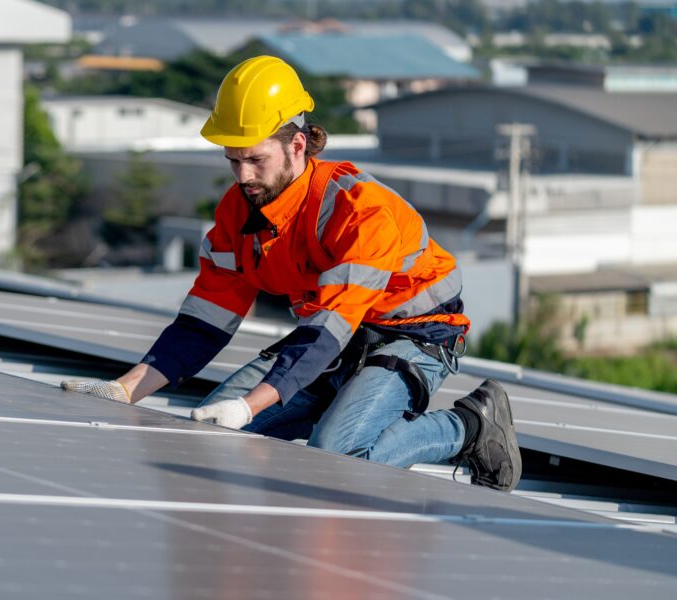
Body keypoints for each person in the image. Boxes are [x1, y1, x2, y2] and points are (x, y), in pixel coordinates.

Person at [61, 55, 522, 491]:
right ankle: (338, 401)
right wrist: (124, 390)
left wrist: (250, 407)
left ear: (296, 145)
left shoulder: (360, 211)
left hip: (413, 334)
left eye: (255, 160)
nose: (242, 176)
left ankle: (469, 426)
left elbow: (327, 329)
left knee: (334, 457)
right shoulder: (238, 212)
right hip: (336, 337)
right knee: (207, 438)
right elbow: (204, 322)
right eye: (233, 160)